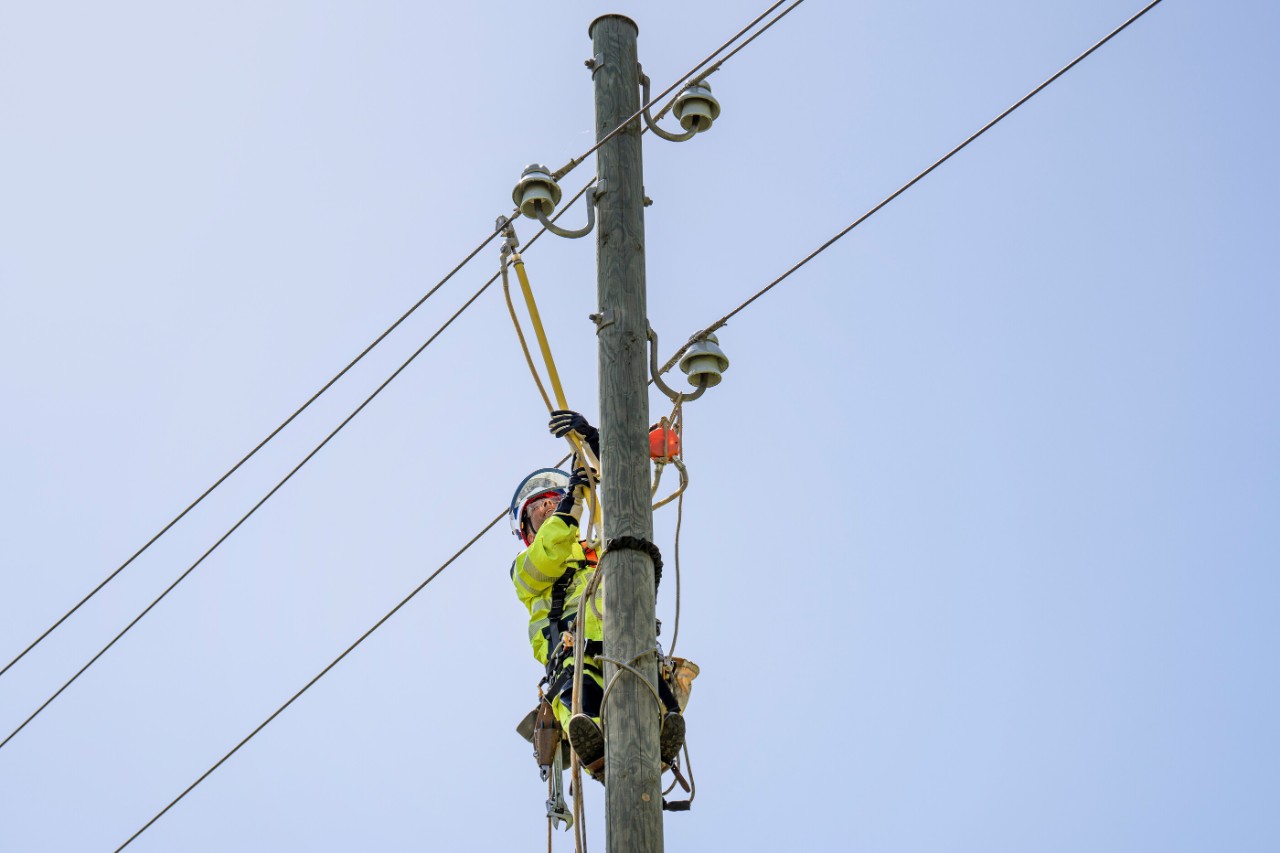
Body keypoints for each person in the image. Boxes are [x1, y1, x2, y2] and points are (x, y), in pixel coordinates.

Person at [510, 410, 685, 777]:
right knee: (581, 688)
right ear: (527, 531)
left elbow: (626, 496)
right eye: (538, 508)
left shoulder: (602, 549)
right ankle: (593, 743)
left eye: (551, 501)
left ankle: (665, 726)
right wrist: (571, 496)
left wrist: (592, 440)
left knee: (645, 667)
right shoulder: (526, 565)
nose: (547, 507)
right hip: (571, 652)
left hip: (622, 639)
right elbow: (551, 552)